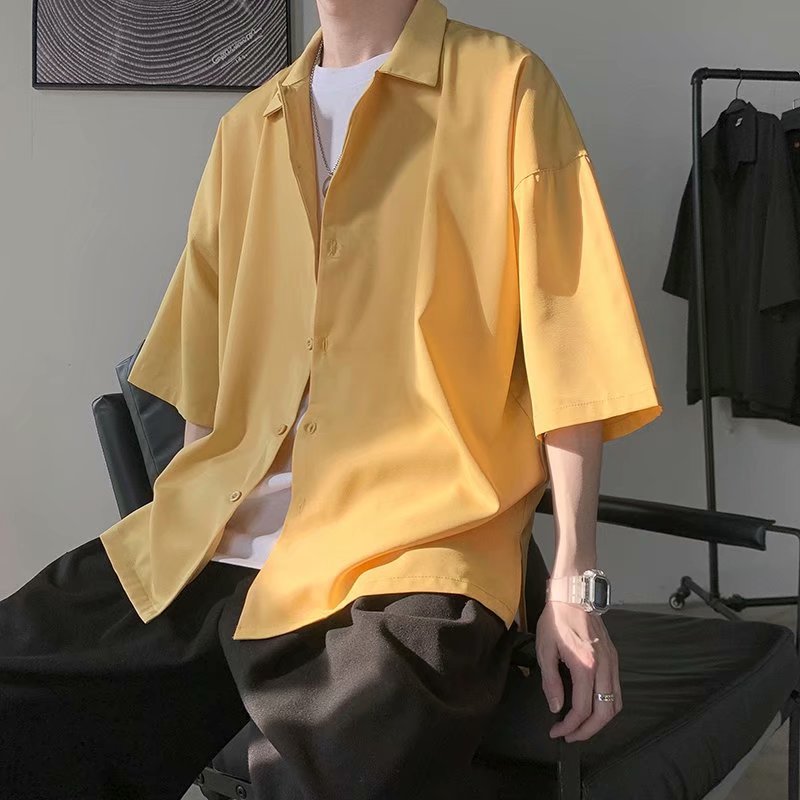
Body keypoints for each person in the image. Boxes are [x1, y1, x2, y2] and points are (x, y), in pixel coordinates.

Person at [0, 0, 662, 798]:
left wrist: (574, 586)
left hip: (408, 564)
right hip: (215, 547)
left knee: (330, 772)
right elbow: (203, 377)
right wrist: (183, 531)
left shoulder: (506, 87)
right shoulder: (246, 129)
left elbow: (574, 356)